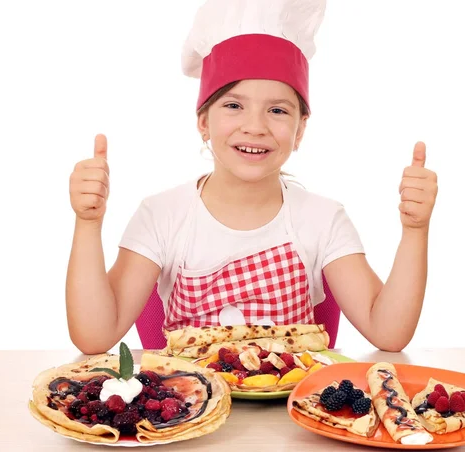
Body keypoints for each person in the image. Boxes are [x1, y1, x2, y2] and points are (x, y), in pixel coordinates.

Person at [66, 0, 438, 355]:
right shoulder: (161, 215)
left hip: (291, 413)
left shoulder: (322, 220)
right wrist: (87, 223)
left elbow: (388, 332)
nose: (255, 127)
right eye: (233, 106)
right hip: (190, 411)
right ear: (203, 122)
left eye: (277, 110)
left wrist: (415, 230)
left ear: (300, 130)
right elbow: (95, 335)